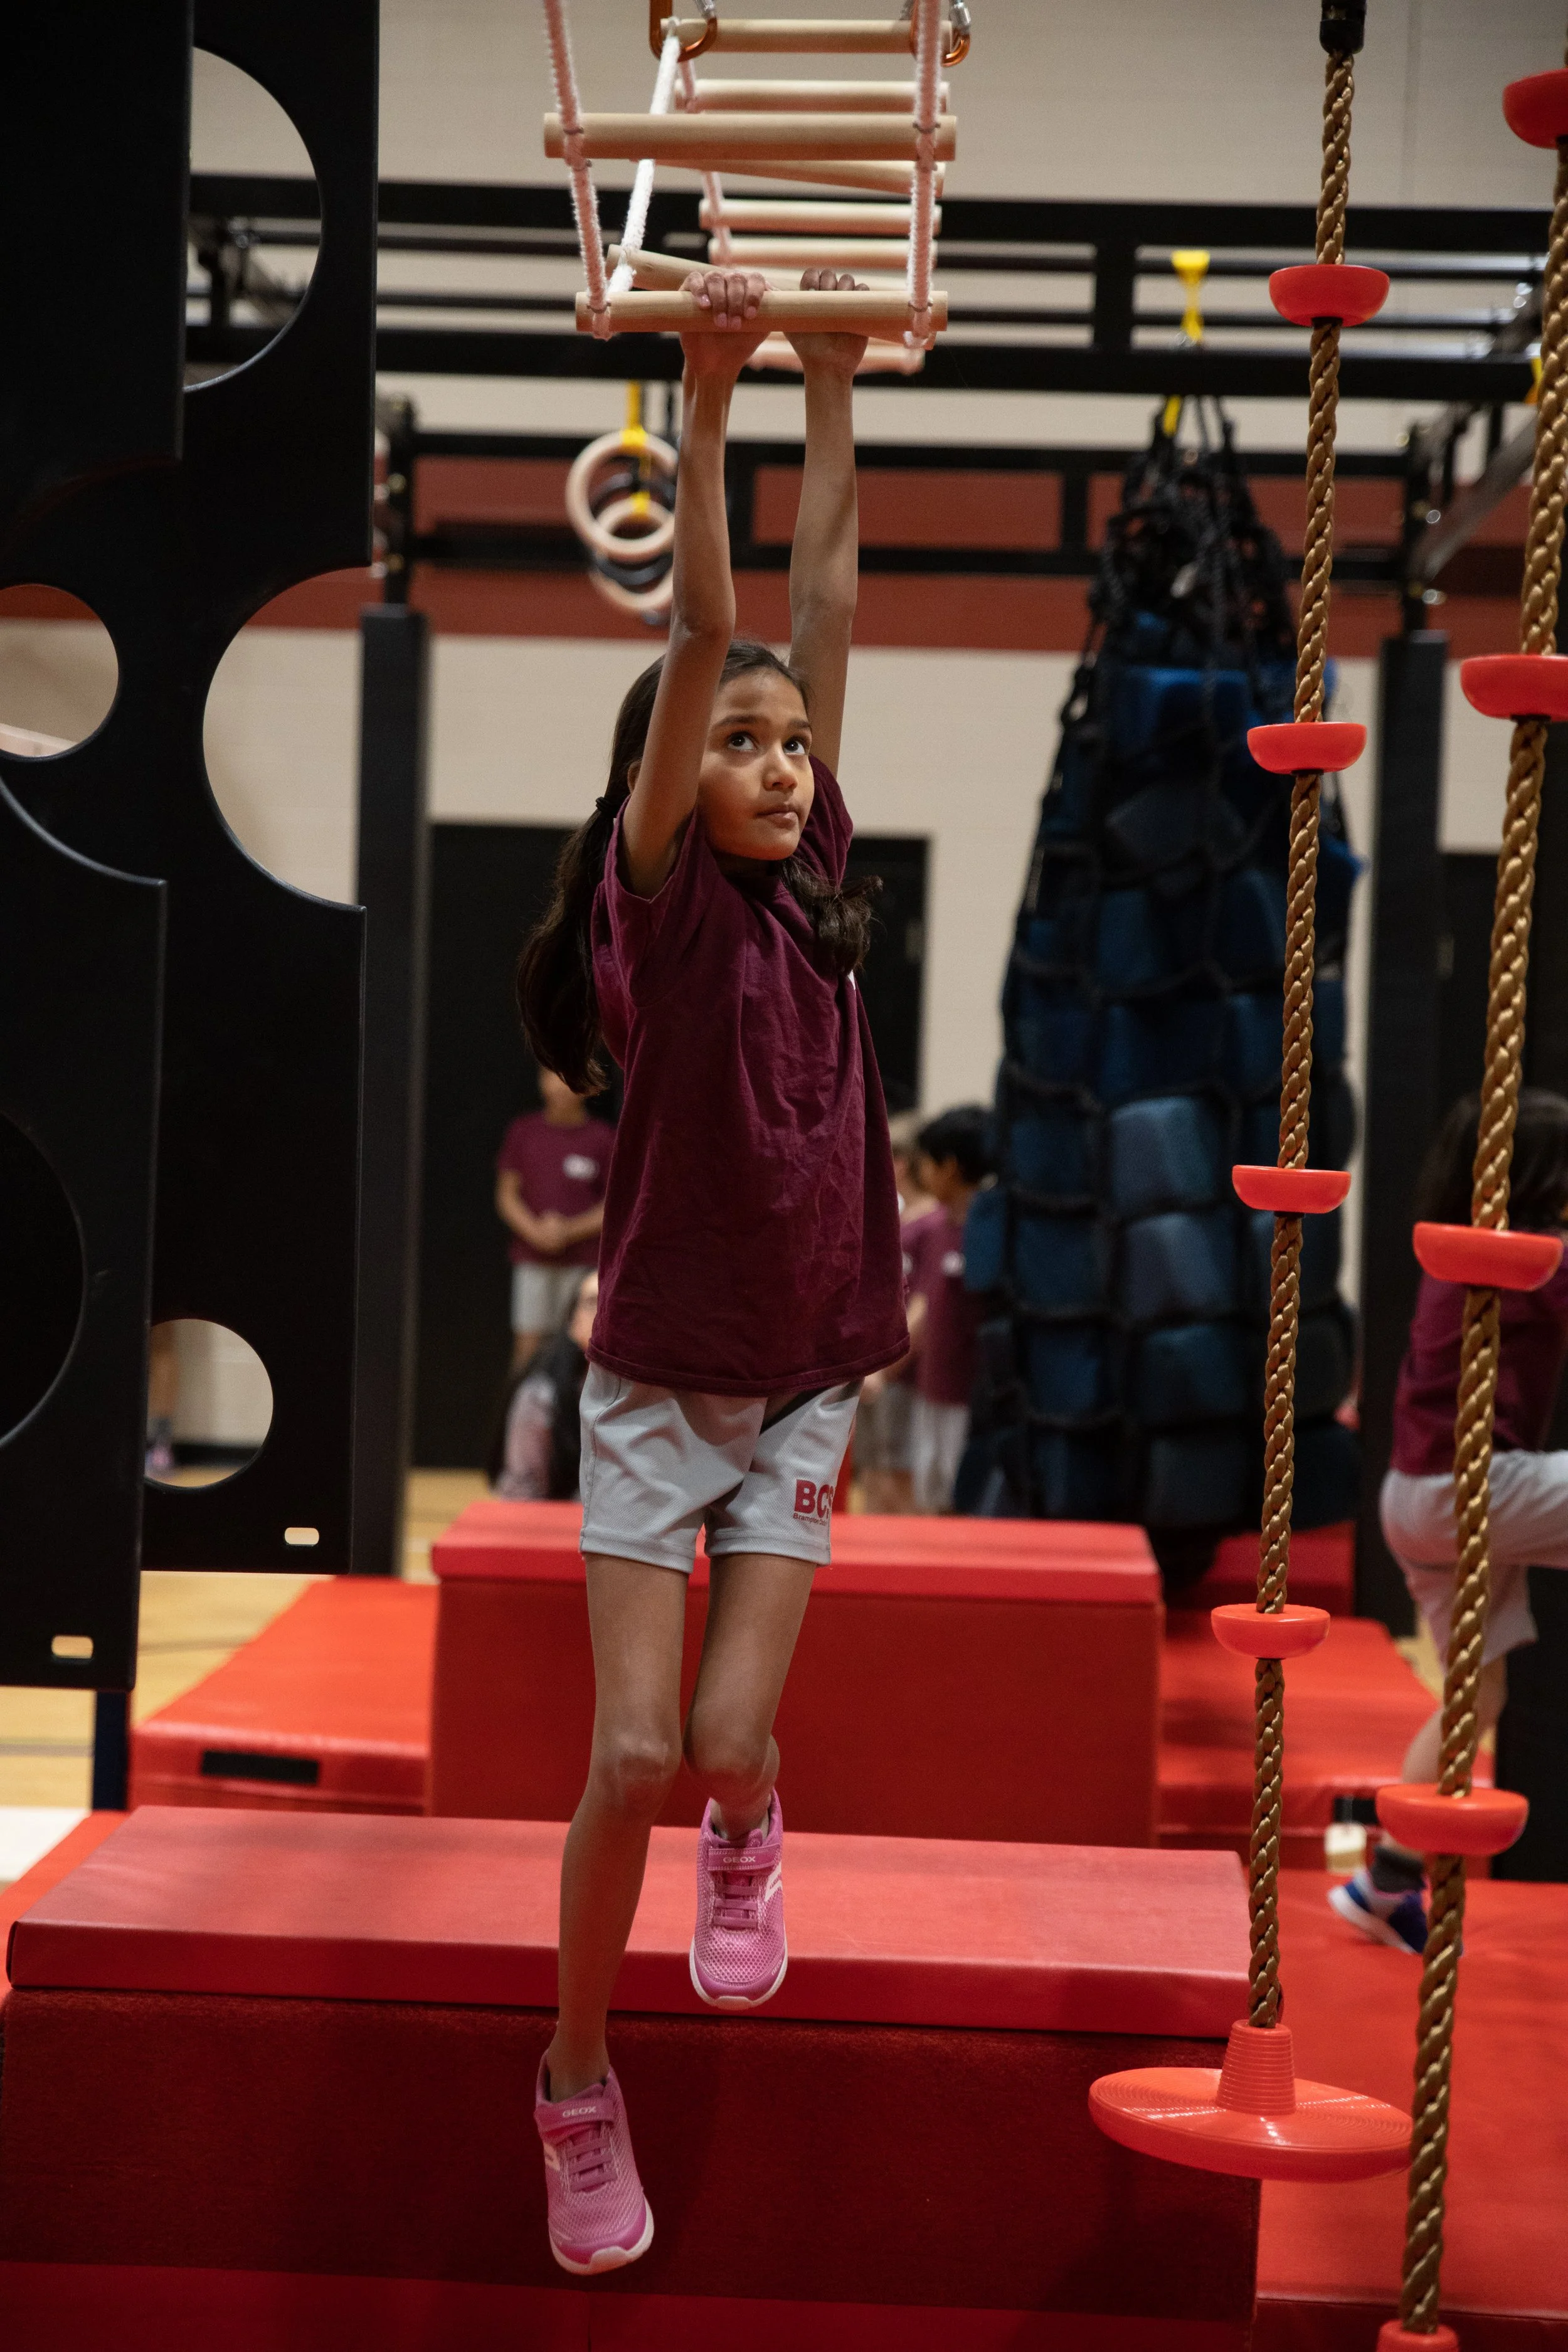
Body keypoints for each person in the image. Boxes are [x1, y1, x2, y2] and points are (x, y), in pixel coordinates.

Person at [514, 267, 905, 2275]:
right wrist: (706, 386)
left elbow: (815, 608)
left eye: (786, 743)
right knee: (632, 1754)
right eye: (736, 741)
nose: (771, 757)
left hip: (809, 1373)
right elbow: (711, 624)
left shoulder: (815, 866)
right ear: (672, 781)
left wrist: (832, 390)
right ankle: (576, 2074)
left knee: (733, 1753)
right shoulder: (658, 907)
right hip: (666, 1381)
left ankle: (752, 1834)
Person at [1330, 1089, 1568, 1956]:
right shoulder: (1514, 1258)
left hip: (1418, 1497)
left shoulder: (1466, 1257)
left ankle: (1386, 1881)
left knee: (1483, 1693)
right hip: (1464, 1492)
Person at [893, 1104, 995, 1514]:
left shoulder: (986, 1230)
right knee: (929, 1498)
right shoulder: (936, 1229)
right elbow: (923, 1304)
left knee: (962, 1501)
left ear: (950, 1168)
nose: (924, 1174)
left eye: (929, 1164)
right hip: (931, 1391)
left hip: (969, 1400)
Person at [854, 1112, 939, 1513]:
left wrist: (886, 1368)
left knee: (896, 1470)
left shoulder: (932, 1224)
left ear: (901, 1162)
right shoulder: (892, 1216)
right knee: (871, 1466)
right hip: (870, 1362)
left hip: (899, 1371)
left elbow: (924, 1303)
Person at [495, 1067, 607, 1372]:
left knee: (581, 1350)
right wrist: (536, 1232)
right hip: (533, 1260)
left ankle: (570, 1420)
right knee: (528, 1349)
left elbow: (613, 1205)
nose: (559, 1086)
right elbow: (507, 1196)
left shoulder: (603, 1139)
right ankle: (522, 1417)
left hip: (583, 1267)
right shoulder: (524, 1131)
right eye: (551, 1075)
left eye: (567, 1076)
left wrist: (567, 1231)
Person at [490, 1269, 598, 1503]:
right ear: (573, 1321)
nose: (603, 1312)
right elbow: (521, 1493)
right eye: (592, 1302)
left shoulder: (648, 1397)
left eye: (612, 1302)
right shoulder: (540, 1396)